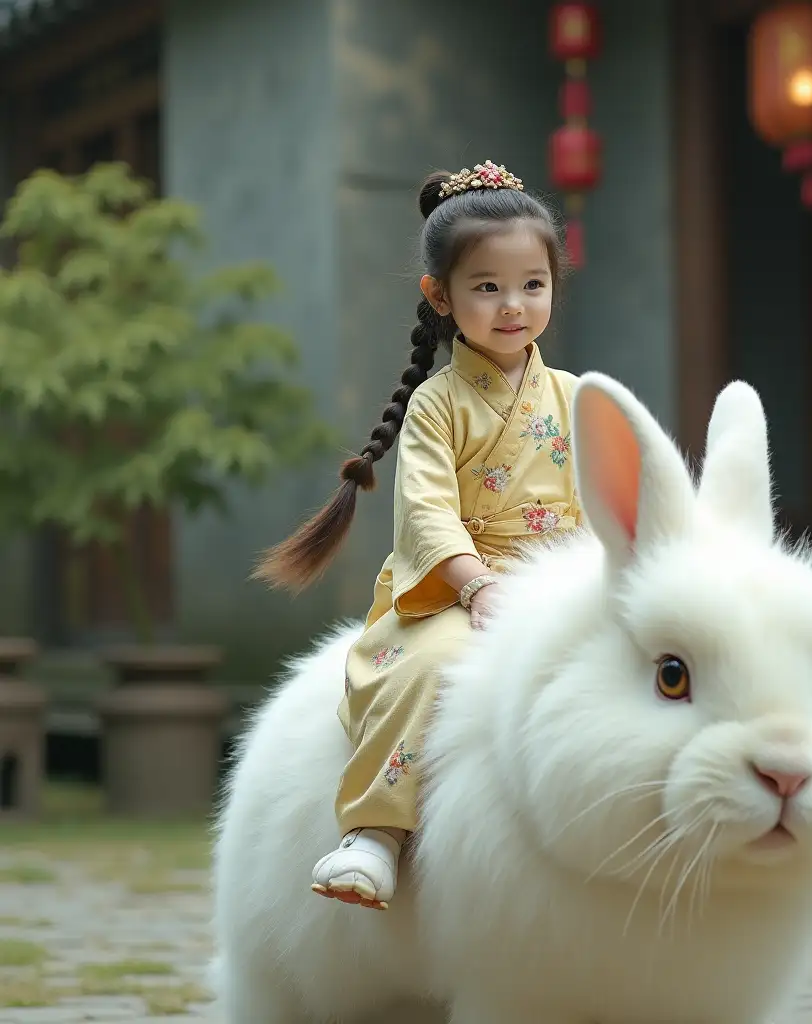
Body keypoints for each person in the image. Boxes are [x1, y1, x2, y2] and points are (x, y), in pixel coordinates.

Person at [254, 160, 581, 910]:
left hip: (560, 582)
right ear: (440, 294)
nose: (512, 305)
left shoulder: (572, 397)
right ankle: (376, 833)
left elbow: (597, 499)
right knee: (432, 666)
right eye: (487, 286)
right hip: (457, 591)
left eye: (532, 284)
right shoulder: (437, 406)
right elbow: (428, 513)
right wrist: (479, 584)